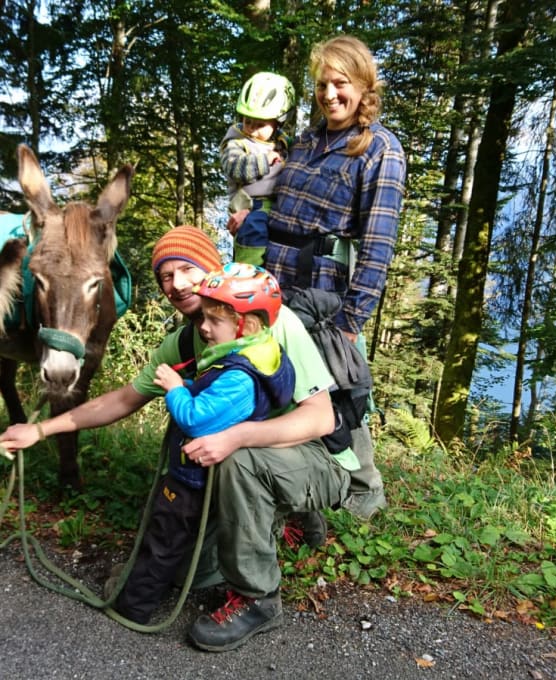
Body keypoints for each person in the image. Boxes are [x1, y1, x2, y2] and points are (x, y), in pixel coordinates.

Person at [0, 225, 351, 651]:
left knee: (234, 457)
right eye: (165, 275)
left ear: (213, 269)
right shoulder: (189, 338)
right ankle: (270, 517)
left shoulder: (271, 322)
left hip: (314, 456)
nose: (176, 283)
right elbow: (123, 399)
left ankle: (260, 597)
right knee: (187, 573)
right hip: (241, 460)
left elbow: (321, 420)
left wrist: (236, 436)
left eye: (187, 268)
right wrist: (39, 430)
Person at [229, 35, 407, 519]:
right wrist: (250, 222)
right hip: (275, 282)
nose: (330, 94)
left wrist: (353, 319)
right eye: (323, 85)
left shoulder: (380, 150)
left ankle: (364, 489)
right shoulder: (305, 142)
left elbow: (378, 243)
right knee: (280, 382)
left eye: (340, 84)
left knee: (337, 389)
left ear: (364, 86)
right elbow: (276, 201)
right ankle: (292, 488)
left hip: (326, 292)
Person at [113, 262, 297, 624]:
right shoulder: (259, 354)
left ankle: (131, 607)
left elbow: (195, 419)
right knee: (171, 541)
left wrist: (175, 390)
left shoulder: (240, 377)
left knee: (162, 541)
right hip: (206, 475)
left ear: (247, 325)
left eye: (214, 321)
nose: (203, 328)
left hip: (192, 479)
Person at [219, 72, 295, 266]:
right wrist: (263, 161)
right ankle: (249, 275)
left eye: (260, 124)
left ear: (279, 121)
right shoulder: (237, 142)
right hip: (251, 206)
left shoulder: (284, 143)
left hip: (279, 205)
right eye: (247, 121)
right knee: (254, 229)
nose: (251, 128)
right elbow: (233, 167)